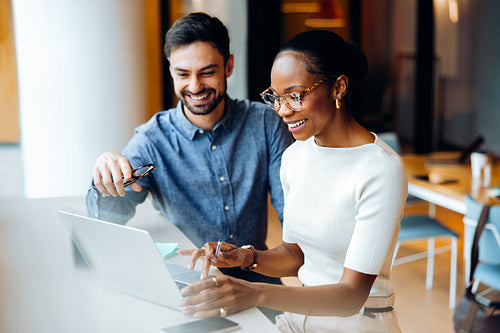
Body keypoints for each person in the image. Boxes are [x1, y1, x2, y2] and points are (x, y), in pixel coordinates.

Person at [177, 30, 408, 332]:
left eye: (296, 95)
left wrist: (255, 292)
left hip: (358, 322)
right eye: (275, 96)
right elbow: (295, 255)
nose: (283, 110)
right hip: (297, 319)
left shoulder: (380, 169)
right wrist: (245, 257)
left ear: (338, 87)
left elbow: (351, 296)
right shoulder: (295, 157)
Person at [86, 12, 293, 284]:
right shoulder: (152, 139)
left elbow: (293, 213)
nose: (195, 86)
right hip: (190, 283)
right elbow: (109, 218)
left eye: (207, 73)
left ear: (228, 66)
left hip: (258, 277)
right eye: (183, 74)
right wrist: (105, 176)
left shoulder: (266, 124)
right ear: (171, 70)